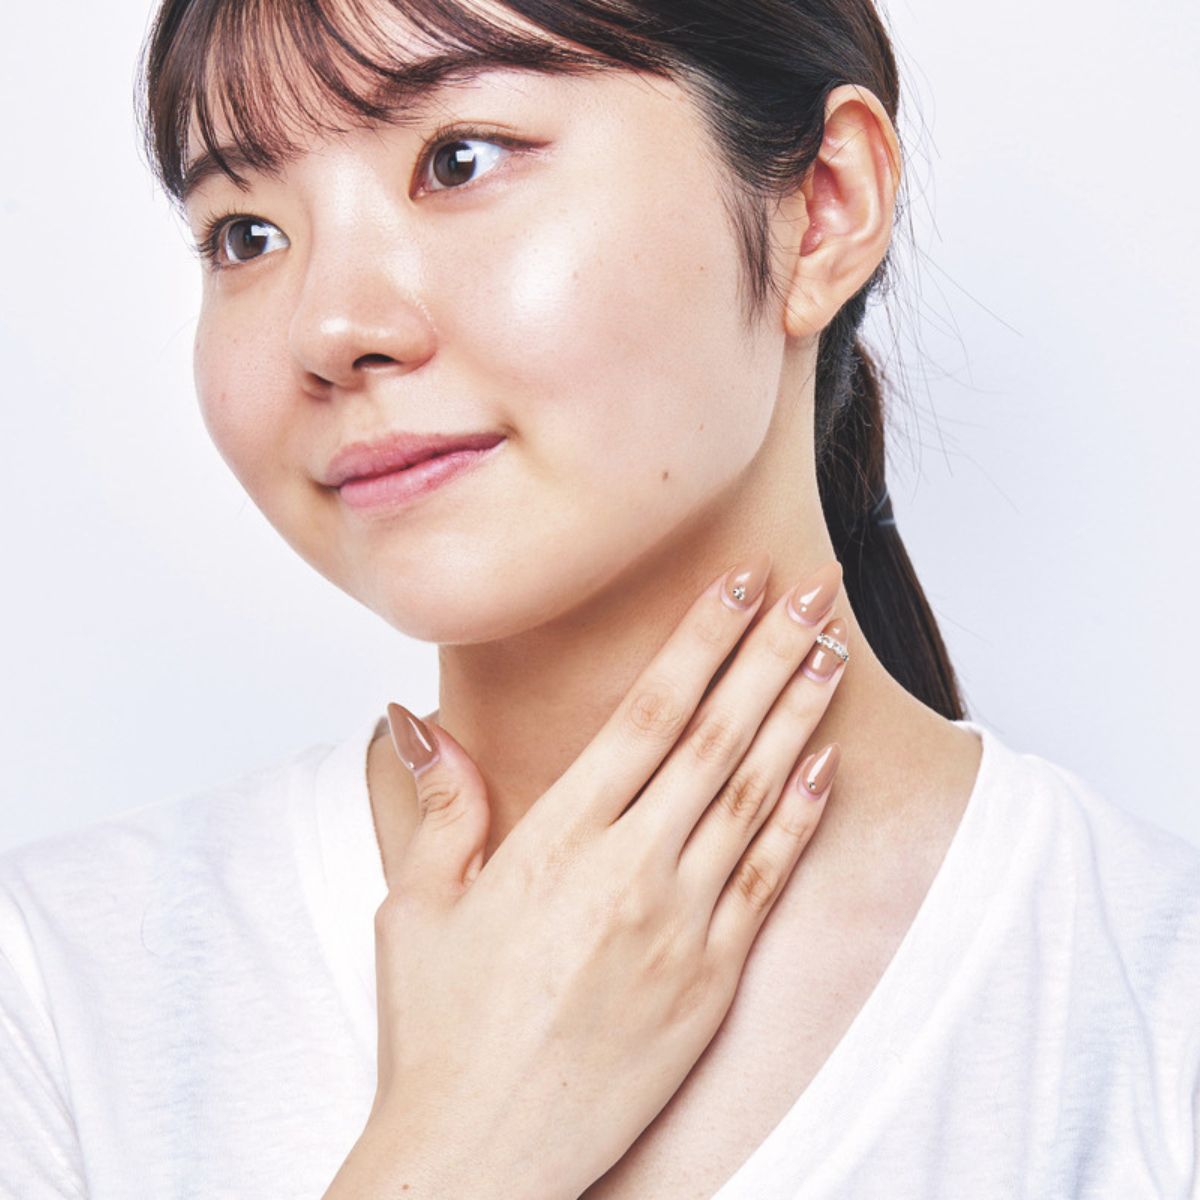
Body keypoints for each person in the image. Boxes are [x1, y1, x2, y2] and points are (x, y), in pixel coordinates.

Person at [2, 0, 1197, 1197]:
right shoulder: (54, 996)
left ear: (825, 206)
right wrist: (461, 1147)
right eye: (246, 234)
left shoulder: (1152, 1009)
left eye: (459, 160)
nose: (332, 327)